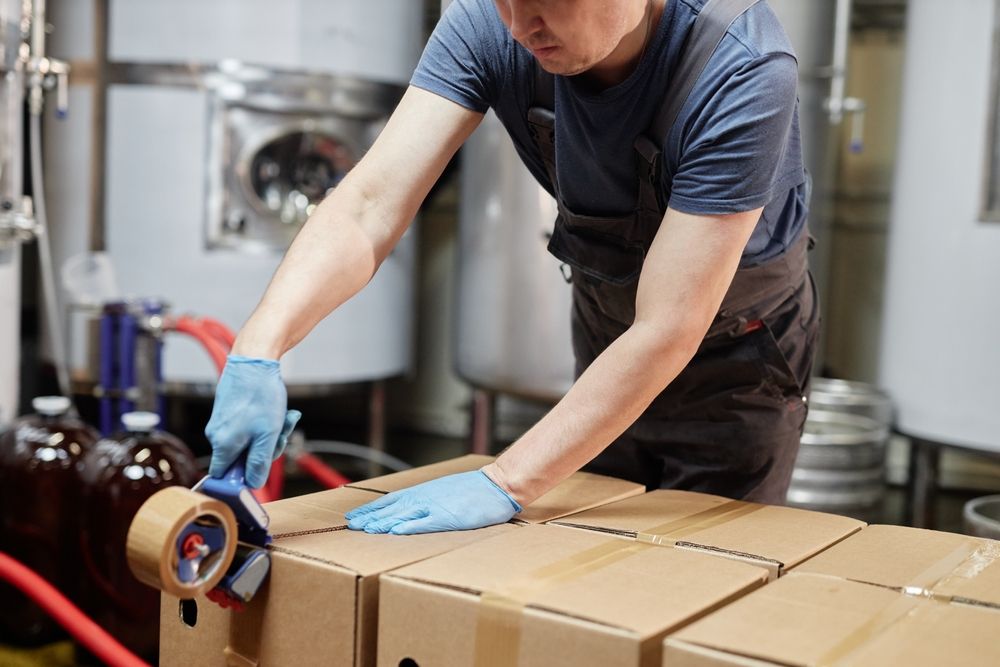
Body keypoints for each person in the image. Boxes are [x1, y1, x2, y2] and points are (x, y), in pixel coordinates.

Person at [205, 0, 819, 535]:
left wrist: (506, 482)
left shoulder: (740, 66)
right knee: (592, 563)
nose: (522, 24)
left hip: (737, 363)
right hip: (610, 335)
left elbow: (669, 325)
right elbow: (368, 207)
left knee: (703, 582)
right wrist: (259, 348)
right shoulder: (489, 25)